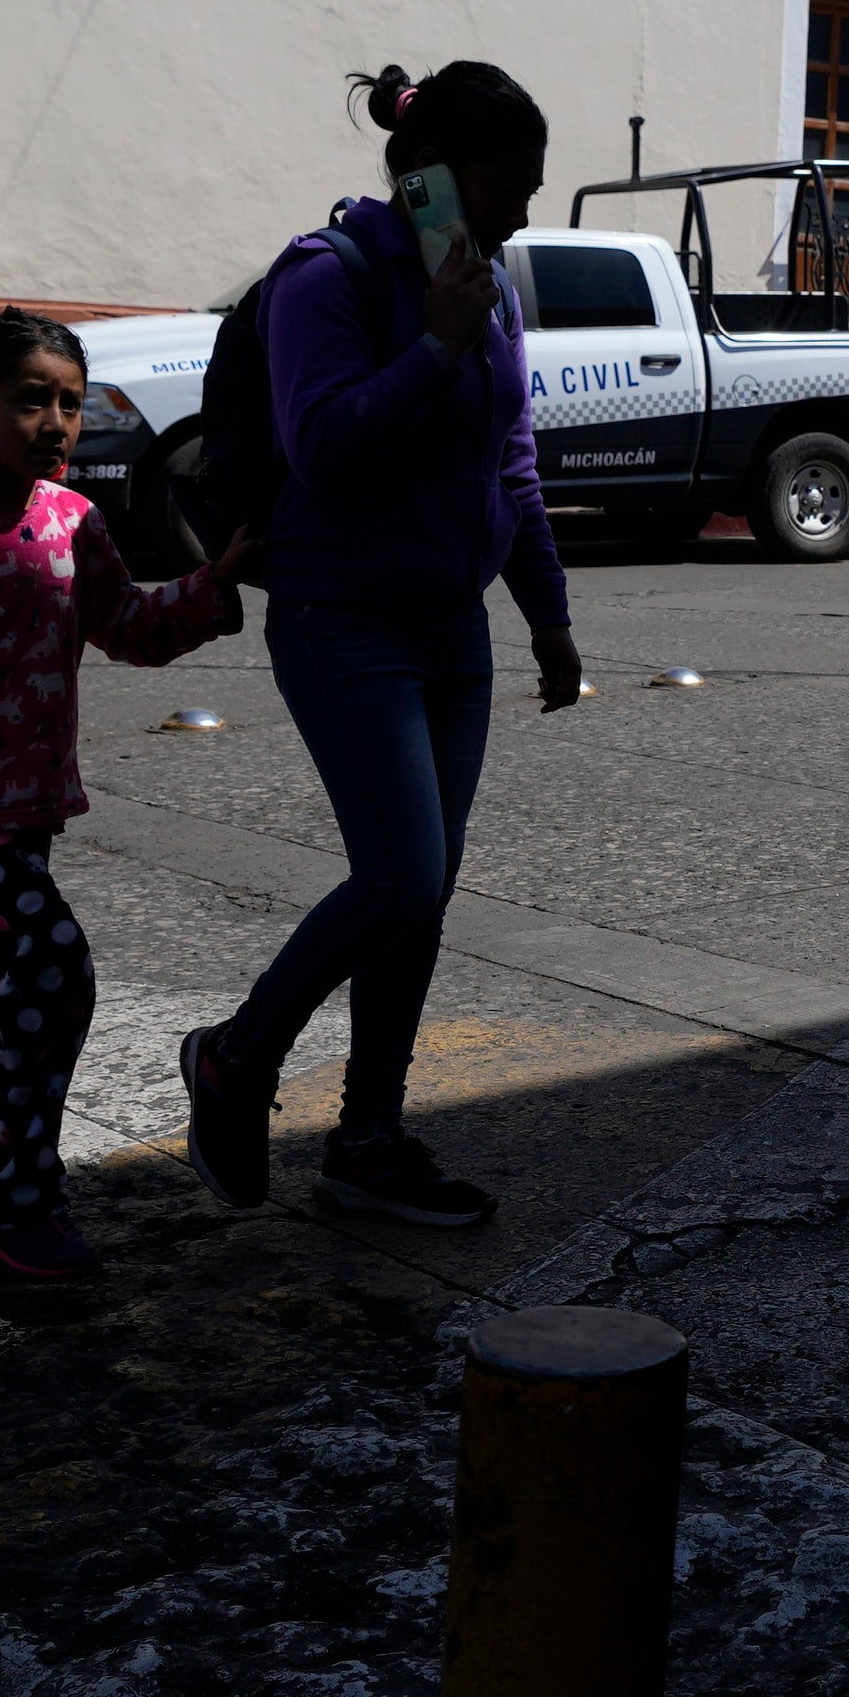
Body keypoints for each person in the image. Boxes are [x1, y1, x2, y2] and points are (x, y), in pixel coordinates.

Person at [176, 62, 585, 1228]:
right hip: (342, 619)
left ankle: (366, 1139)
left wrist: (546, 615)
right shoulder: (328, 274)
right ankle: (237, 1057)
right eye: (505, 187)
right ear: (433, 175)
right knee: (400, 872)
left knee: (424, 894)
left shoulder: (491, 286)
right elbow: (324, 445)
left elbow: (512, 461)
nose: (517, 215)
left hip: (456, 631)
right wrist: (434, 347)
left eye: (529, 191)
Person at [0, 309, 255, 1280]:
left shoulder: (73, 522)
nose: (55, 422)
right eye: (31, 399)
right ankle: (10, 1201)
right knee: (47, 977)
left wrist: (217, 580)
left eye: (69, 402)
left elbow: (129, 626)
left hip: (25, 825)